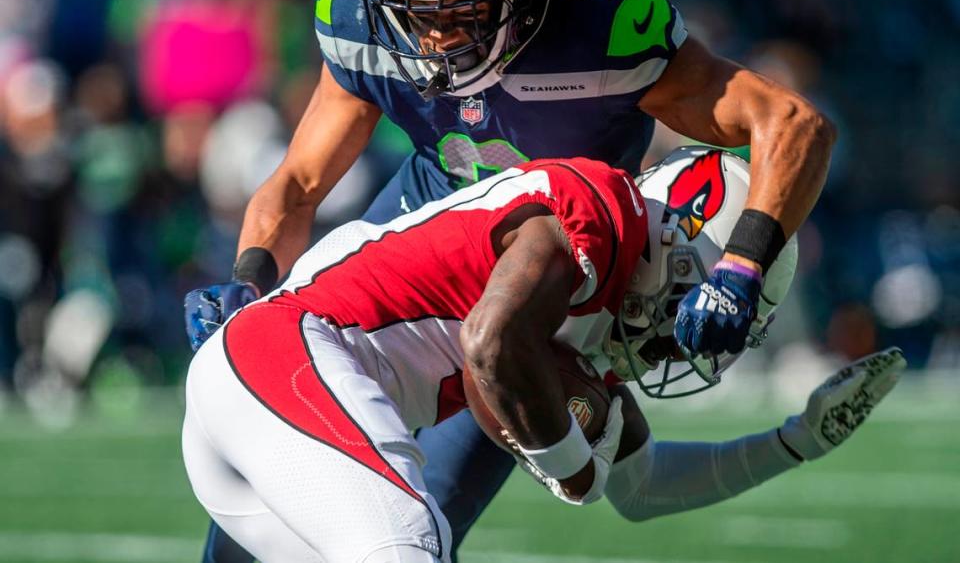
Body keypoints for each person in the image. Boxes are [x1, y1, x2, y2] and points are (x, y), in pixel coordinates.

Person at [185, 0, 837, 559]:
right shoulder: (364, 17)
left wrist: (742, 266)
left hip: (544, 289)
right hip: (420, 248)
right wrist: (249, 279)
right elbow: (298, 182)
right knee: (324, 522)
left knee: (412, 521)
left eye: (461, 12)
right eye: (413, 14)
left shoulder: (599, 27)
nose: (435, 38)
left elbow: (791, 122)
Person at [181, 150, 904, 563]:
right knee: (409, 544)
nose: (687, 341)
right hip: (286, 355)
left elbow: (644, 488)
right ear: (685, 254)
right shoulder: (601, 217)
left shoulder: (579, 319)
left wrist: (796, 440)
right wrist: (571, 465)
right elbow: (491, 346)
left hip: (269, 393)